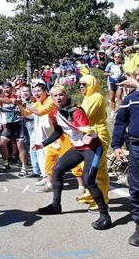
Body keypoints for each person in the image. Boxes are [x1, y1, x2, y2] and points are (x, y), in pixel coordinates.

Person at [33, 85, 112, 230]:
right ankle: (56, 206)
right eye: (55, 95)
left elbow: (85, 127)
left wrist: (88, 135)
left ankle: (105, 216)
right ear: (51, 97)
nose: (58, 98)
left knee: (88, 179)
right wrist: (42, 144)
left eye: (61, 95)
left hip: (93, 148)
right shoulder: (55, 113)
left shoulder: (76, 112)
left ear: (66, 95)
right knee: (57, 170)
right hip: (77, 148)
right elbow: (58, 132)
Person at [112, 65, 139, 246]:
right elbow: (120, 123)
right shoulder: (130, 99)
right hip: (136, 147)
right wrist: (116, 145)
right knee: (136, 188)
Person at [74, 75, 110, 212]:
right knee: (87, 168)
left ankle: (102, 201)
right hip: (89, 136)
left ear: (92, 84)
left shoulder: (96, 97)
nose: (82, 87)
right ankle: (92, 195)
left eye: (84, 84)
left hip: (98, 136)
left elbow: (83, 116)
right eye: (80, 85)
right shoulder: (87, 98)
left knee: (98, 169)